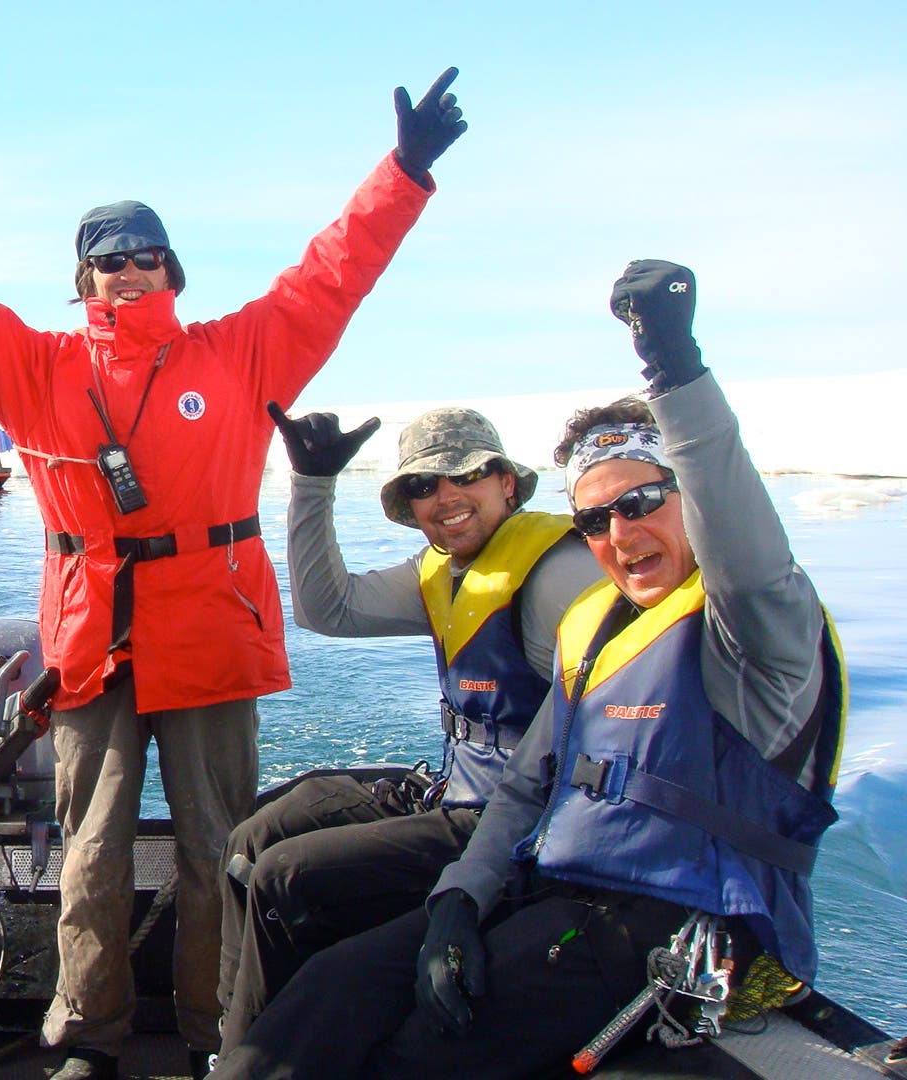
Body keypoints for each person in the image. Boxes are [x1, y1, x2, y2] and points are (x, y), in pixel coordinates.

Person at [0, 65, 467, 1080]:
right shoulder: (34, 367)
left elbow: (335, 272)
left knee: (219, 849)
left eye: (145, 257)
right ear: (83, 282)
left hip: (211, 635)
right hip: (91, 643)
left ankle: (215, 1032)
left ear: (173, 270)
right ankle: (87, 1038)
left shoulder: (243, 352)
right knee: (92, 852)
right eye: (106, 261)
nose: (127, 273)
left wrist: (402, 173)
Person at [212, 260, 844, 1079]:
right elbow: (522, 789)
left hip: (684, 918)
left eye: (641, 502)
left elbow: (746, 547)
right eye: (595, 519)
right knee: (329, 990)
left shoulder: (755, 636)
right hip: (549, 877)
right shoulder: (594, 626)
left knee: (409, 1051)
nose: (619, 534)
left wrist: (673, 367)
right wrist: (455, 904)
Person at [215, 405, 602, 1056]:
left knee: (283, 876)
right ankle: (227, 1035)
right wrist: (312, 483)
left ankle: (257, 1057)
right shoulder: (445, 571)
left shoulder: (558, 577)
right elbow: (326, 608)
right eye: (424, 485)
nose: (446, 497)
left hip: (509, 822)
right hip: (451, 791)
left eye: (467, 475)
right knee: (255, 835)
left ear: (508, 482)